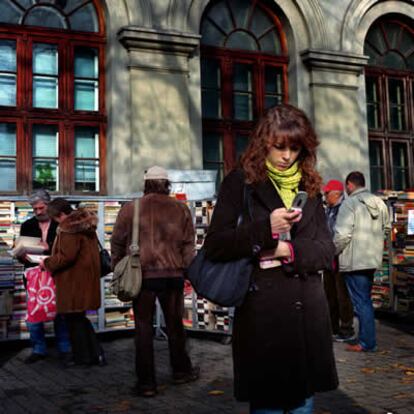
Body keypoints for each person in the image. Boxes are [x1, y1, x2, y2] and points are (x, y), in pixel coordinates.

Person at [204, 104, 338, 414]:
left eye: (294, 147)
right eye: (280, 147)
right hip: (264, 316)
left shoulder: (311, 186)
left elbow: (326, 249)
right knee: (268, 404)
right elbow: (216, 245)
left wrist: (289, 252)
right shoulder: (240, 183)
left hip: (308, 314)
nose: (287, 156)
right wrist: (267, 229)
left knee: (303, 402)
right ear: (264, 142)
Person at [111, 166, 199, 398]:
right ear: (167, 184)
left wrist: (118, 268)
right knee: (175, 326)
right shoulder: (181, 209)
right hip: (173, 276)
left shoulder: (131, 208)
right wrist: (190, 271)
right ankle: (181, 372)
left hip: (142, 277)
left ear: (146, 184)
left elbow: (117, 242)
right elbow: (189, 245)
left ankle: (147, 384)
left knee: (142, 329)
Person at [40, 198, 105, 366]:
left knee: (74, 320)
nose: (55, 222)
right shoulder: (84, 224)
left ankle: (84, 358)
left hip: (73, 281)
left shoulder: (69, 228)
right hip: (84, 279)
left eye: (55, 218)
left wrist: (46, 262)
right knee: (79, 319)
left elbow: (66, 257)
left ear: (61, 215)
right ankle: (96, 354)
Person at [334, 171, 390, 352]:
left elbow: (341, 235)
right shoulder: (380, 203)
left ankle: (367, 342)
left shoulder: (349, 204)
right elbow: (387, 229)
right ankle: (366, 339)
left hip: (353, 261)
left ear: (350, 185)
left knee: (361, 302)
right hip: (371, 259)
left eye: (346, 186)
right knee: (365, 299)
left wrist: (332, 252)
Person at [18, 189, 70, 364]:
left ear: (49, 205)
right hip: (34, 275)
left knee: (60, 313)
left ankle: (64, 348)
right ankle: (38, 349)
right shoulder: (27, 225)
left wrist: (47, 248)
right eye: (35, 209)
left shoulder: (61, 224)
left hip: (57, 274)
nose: (39, 212)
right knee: (34, 312)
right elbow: (21, 250)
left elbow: (67, 251)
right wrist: (21, 254)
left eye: (41, 208)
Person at [322, 179, 354, 342]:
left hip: (340, 257)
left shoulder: (344, 209)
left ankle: (346, 329)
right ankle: (332, 328)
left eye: (327, 193)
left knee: (343, 296)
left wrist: (333, 250)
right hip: (329, 258)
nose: (325, 196)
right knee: (329, 294)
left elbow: (341, 235)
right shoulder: (328, 209)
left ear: (336, 194)